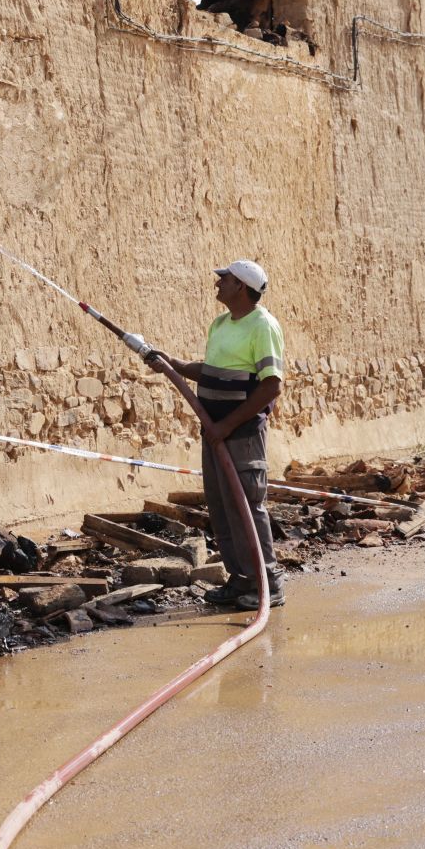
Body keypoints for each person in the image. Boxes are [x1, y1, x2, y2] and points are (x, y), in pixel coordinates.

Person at [146, 260, 285, 611]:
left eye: (224, 278)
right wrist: (174, 365)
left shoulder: (262, 325)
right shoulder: (221, 324)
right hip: (214, 431)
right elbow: (211, 373)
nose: (217, 283)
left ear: (241, 286)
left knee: (247, 508)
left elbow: (271, 385)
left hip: (240, 433)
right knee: (222, 508)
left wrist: (227, 425)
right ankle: (239, 580)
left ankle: (267, 583)